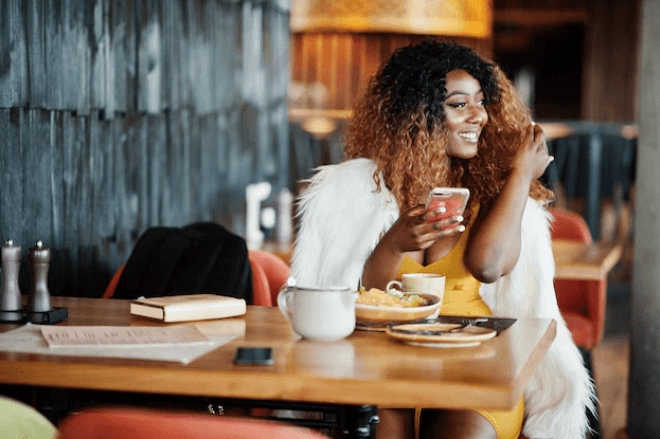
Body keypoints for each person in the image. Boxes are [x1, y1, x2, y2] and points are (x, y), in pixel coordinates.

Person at [290, 39, 595, 439]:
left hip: (476, 370)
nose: (479, 116)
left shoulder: (494, 191)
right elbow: (362, 300)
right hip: (385, 366)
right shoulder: (359, 193)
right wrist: (393, 245)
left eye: (481, 102)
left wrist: (520, 176)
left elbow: (488, 267)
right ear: (418, 115)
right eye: (458, 104)